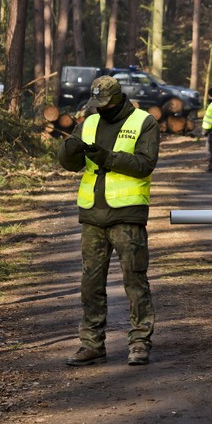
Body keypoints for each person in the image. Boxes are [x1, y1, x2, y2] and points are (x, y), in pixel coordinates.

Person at [58, 75, 160, 367]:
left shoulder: (144, 122)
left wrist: (108, 158)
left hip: (127, 215)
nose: (100, 108)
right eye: (96, 103)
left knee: (134, 281)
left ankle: (139, 342)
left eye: (104, 103)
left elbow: (145, 164)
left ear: (117, 99)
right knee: (90, 284)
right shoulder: (89, 122)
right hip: (92, 215)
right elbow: (70, 164)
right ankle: (91, 344)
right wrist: (69, 150)